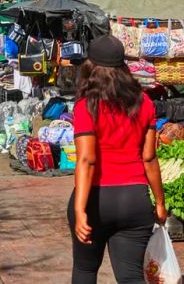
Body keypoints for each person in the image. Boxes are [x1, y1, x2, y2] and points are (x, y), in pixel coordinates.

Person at [68, 34, 166, 284]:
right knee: (132, 276)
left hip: (96, 199)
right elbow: (149, 158)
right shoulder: (144, 102)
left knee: (85, 270)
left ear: (89, 67)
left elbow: (87, 160)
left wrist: (80, 210)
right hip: (134, 199)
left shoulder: (86, 105)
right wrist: (160, 203)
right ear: (123, 67)